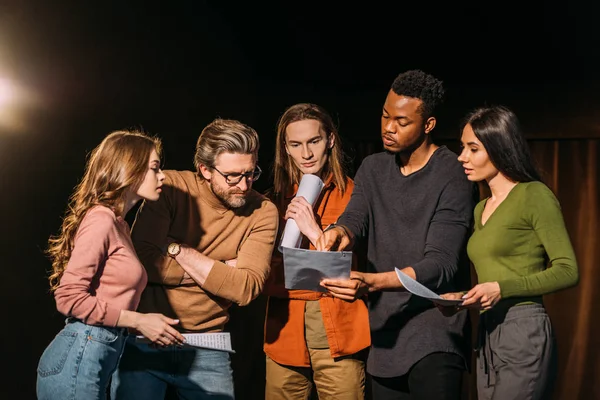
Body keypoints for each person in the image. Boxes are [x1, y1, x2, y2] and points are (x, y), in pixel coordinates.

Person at [316, 70, 478, 400]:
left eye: (401, 122)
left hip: (436, 332)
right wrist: (337, 233)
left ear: (428, 125)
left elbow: (441, 264)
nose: (388, 128)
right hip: (386, 334)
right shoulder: (373, 168)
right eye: (385, 115)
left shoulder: (453, 173)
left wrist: (373, 282)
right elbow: (354, 220)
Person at [111, 118, 279, 400]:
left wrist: (178, 250)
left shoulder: (263, 211)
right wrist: (222, 269)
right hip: (145, 338)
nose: (244, 185)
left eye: (251, 173)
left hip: (208, 344)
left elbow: (245, 288)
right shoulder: (171, 187)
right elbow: (140, 261)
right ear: (205, 170)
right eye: (232, 176)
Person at [438, 105, 579, 400]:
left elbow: (568, 269)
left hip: (523, 328)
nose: (462, 156)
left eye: (473, 149)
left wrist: (502, 289)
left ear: (498, 147)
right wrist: (465, 298)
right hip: (488, 331)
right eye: (462, 147)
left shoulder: (533, 195)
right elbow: (495, 276)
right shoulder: (480, 208)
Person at [37, 131, 185, 400]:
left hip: (97, 355)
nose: (162, 175)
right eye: (154, 168)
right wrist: (139, 321)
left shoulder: (120, 225)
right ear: (129, 168)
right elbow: (68, 297)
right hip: (79, 354)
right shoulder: (101, 219)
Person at [263, 103, 370, 399]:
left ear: (331, 140)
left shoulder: (355, 196)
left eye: (314, 141)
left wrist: (313, 229)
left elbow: (357, 271)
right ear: (285, 147)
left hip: (341, 337)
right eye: (295, 144)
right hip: (285, 336)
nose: (306, 154)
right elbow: (262, 274)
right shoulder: (271, 201)